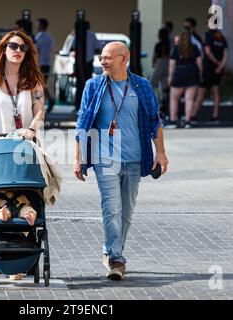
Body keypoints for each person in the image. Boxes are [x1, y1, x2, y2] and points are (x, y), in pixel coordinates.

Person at [74, 42, 169, 281]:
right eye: (101, 58)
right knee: (112, 208)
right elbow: (82, 123)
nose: (102, 62)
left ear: (124, 58)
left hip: (135, 159)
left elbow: (154, 121)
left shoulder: (142, 86)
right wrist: (78, 158)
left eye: (107, 58)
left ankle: (111, 250)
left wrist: (160, 153)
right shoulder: (93, 86)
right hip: (105, 159)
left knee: (126, 213)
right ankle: (116, 259)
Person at [0, 31, 46, 280]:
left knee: (25, 186)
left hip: (24, 143)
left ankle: (20, 243)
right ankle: (2, 221)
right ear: (3, 48)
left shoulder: (33, 79)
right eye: (13, 46)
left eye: (23, 47)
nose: (18, 51)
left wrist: (32, 129)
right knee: (0, 186)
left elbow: (39, 112)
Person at [193, 19, 228, 122]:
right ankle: (215, 115)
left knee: (201, 91)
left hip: (208, 68)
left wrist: (216, 62)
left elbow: (207, 52)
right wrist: (221, 66)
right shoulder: (221, 37)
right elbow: (226, 54)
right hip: (218, 70)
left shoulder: (208, 35)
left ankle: (194, 115)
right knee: (216, 91)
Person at [168, 31, 202, 128]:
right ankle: (187, 121)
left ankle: (173, 120)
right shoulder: (194, 48)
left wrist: (170, 77)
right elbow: (199, 63)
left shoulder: (176, 48)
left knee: (174, 98)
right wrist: (200, 74)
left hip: (179, 73)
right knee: (189, 99)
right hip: (192, 73)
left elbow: (172, 65)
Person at [35, 18, 55, 112]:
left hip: (41, 63)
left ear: (42, 25)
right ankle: (47, 102)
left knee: (40, 84)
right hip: (46, 63)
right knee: (41, 84)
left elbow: (36, 50)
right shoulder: (50, 37)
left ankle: (48, 101)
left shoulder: (38, 37)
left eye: (38, 24)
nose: (36, 26)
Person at [151, 27, 171, 120]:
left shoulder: (158, 44)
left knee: (151, 83)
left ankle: (153, 103)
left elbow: (155, 56)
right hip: (168, 63)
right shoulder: (169, 44)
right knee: (164, 86)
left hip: (160, 62)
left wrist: (153, 65)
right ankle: (164, 104)